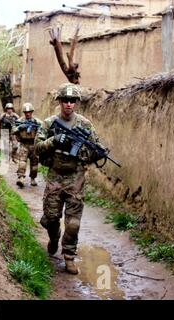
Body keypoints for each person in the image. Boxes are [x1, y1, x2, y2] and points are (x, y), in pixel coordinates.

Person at [35, 83, 103, 274]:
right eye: (65, 100)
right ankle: (54, 238)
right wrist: (54, 141)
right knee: (50, 219)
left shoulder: (85, 125)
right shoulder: (49, 123)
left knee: (73, 223)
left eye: (72, 100)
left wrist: (93, 153)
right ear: (60, 101)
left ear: (76, 103)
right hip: (55, 177)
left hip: (76, 179)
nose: (69, 104)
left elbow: (94, 149)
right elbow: (37, 148)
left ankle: (69, 257)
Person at [12, 102, 42, 188]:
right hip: (23, 144)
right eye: (26, 112)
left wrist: (38, 128)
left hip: (33, 145)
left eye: (29, 112)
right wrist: (19, 128)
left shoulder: (37, 122)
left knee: (34, 164)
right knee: (22, 162)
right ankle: (21, 178)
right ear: (24, 113)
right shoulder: (19, 121)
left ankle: (33, 178)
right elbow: (13, 131)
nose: (28, 114)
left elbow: (42, 130)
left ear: (32, 112)